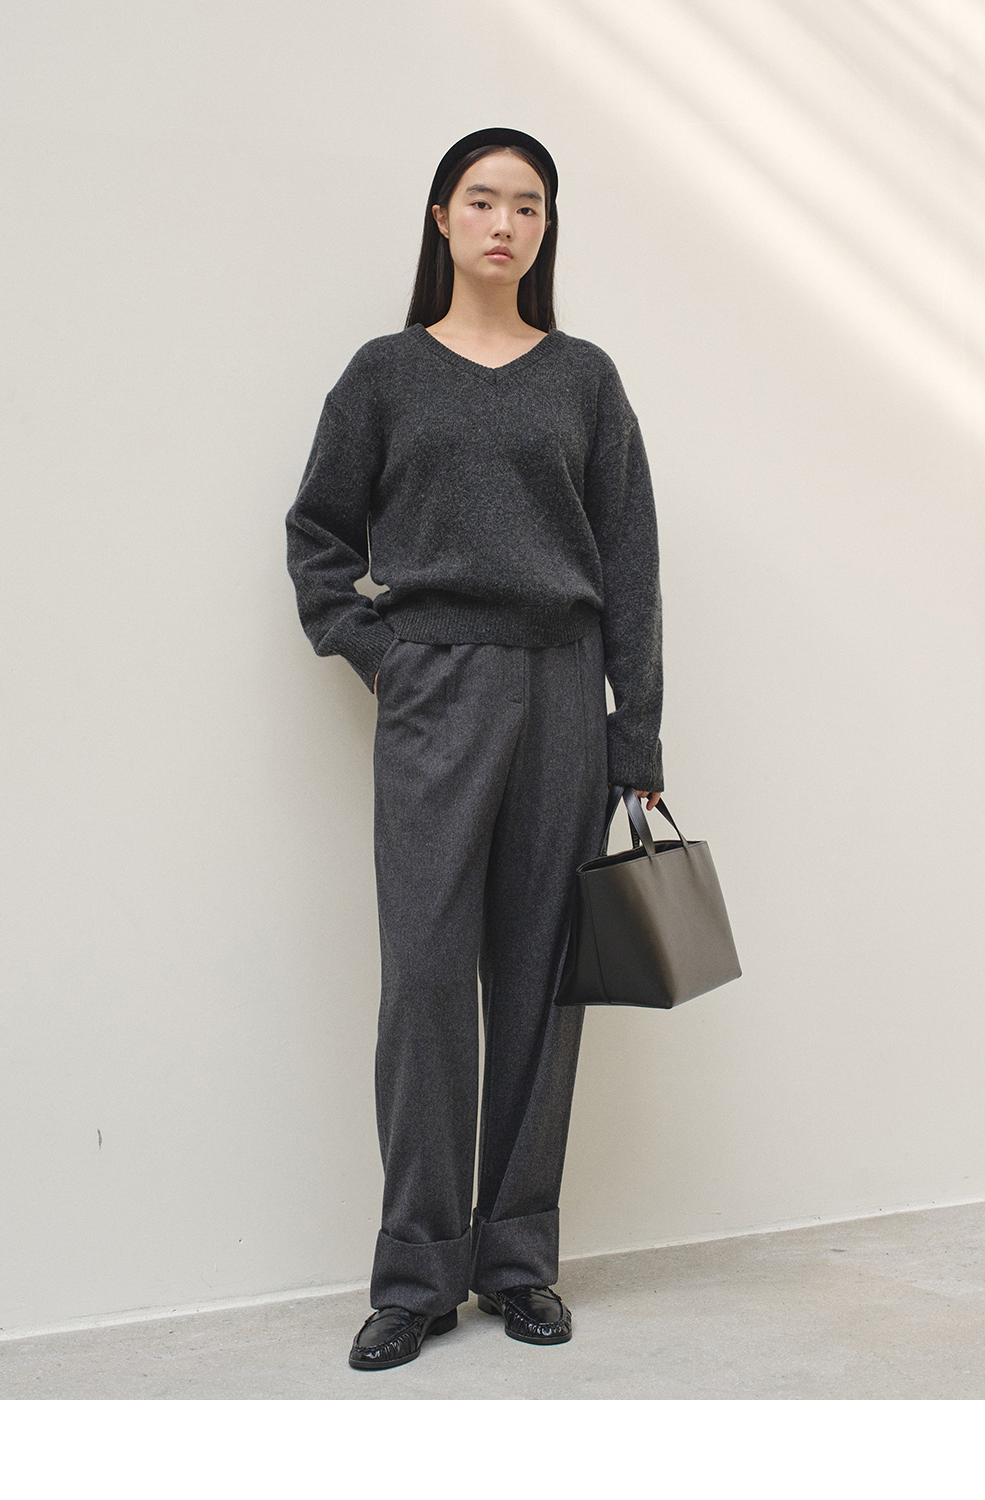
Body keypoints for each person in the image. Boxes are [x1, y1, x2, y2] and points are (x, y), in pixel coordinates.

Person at [285, 127, 664, 1371]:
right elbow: (318, 537)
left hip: (561, 690)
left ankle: (515, 1263)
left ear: (546, 229)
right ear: (441, 218)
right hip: (434, 691)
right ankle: (416, 1274)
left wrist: (633, 733)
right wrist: (383, 655)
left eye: (529, 206)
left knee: (543, 984)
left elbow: (630, 565)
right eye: (483, 200)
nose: (505, 224)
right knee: (427, 984)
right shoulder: (385, 374)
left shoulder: (584, 379)